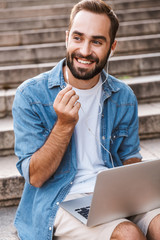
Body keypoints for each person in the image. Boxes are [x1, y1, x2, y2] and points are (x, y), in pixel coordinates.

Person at [12, 0, 160, 239]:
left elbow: (130, 158)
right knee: (128, 234)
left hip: (114, 197)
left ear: (112, 47)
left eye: (97, 41)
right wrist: (64, 125)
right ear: (67, 37)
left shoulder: (123, 96)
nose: (85, 50)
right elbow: (36, 176)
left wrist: (147, 183)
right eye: (78, 38)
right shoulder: (31, 95)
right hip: (60, 200)